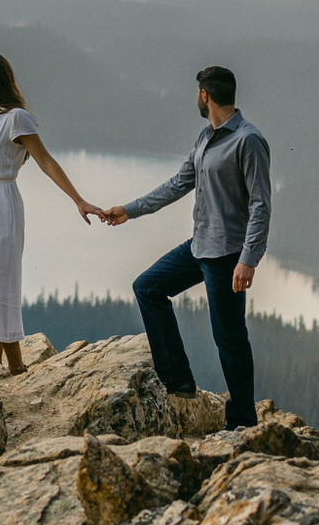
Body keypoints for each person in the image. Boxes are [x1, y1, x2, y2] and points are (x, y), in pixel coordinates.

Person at [102, 64, 271, 427]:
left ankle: (242, 421)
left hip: (227, 255)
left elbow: (260, 204)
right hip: (199, 246)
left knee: (229, 338)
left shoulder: (248, 140)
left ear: (205, 95)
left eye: (197, 93)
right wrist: (128, 211)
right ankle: (178, 379)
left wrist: (249, 259)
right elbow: (178, 184)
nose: (196, 98)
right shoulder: (205, 138)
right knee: (147, 287)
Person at [0, 52, 102, 375]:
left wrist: (78, 200)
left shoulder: (16, 118)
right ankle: (14, 368)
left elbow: (46, 161)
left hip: (2, 206)